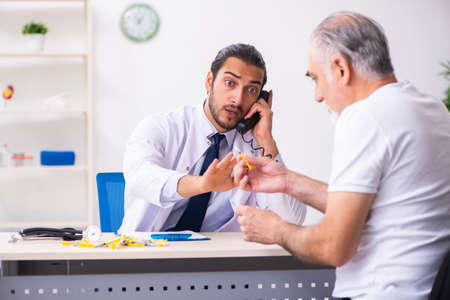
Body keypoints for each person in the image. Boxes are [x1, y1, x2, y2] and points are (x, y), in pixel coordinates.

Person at [234, 12, 450, 300]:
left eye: (317, 79)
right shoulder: (432, 109)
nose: (318, 96)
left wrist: (275, 229)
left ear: (340, 69)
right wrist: (286, 180)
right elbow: (378, 207)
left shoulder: (365, 117)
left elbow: (332, 247)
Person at [119, 43, 306, 233]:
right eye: (230, 83)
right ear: (209, 81)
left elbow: (291, 219)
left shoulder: (254, 147)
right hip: (149, 255)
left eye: (251, 90)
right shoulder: (162, 127)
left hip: (218, 258)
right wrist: (202, 184)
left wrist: (266, 140)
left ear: (262, 98)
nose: (238, 99)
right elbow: (140, 177)